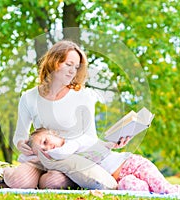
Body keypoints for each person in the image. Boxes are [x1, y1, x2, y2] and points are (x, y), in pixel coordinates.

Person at [8, 40, 128, 189]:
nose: (73, 71)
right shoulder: (29, 97)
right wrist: (21, 144)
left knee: (52, 182)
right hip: (40, 159)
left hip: (69, 160)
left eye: (76, 67)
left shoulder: (84, 96)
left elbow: (90, 137)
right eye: (68, 64)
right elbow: (20, 135)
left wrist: (110, 143)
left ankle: (44, 182)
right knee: (18, 181)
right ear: (53, 63)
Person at [26, 127, 180, 198]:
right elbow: (27, 159)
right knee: (137, 191)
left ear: (53, 133)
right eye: (42, 150)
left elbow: (62, 151)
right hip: (122, 178)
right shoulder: (65, 160)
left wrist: (44, 153)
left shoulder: (75, 141)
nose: (47, 149)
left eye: (45, 141)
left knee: (165, 190)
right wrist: (35, 154)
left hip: (132, 164)